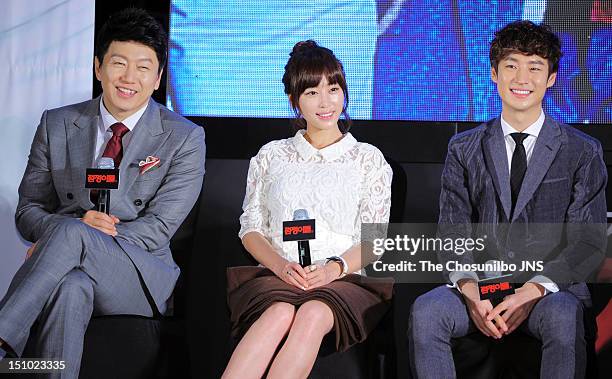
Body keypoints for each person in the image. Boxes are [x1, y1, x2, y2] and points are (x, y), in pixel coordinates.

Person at [0, 8, 205, 378]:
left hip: (139, 274)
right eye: (118, 64)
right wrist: (67, 239)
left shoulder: (184, 137)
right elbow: (28, 209)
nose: (129, 78)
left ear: (158, 78)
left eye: (143, 68)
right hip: (70, 266)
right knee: (71, 287)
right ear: (98, 67)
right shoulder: (58, 123)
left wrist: (77, 236)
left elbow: (158, 228)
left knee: (70, 232)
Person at [408, 20, 607, 378]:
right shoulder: (464, 148)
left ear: (551, 78)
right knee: (427, 311)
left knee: (564, 314)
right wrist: (470, 290)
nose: (522, 78)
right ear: (494, 74)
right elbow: (452, 232)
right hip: (483, 286)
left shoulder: (582, 151)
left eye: (535, 67)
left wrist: (533, 290)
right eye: (512, 66)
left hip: (549, 291)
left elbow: (587, 243)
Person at [222, 40, 393, 379]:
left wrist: (334, 268)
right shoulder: (271, 155)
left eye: (333, 88)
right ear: (294, 101)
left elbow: (376, 239)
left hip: (344, 279)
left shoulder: (367, 159)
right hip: (277, 275)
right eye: (312, 92)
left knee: (313, 313)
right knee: (278, 314)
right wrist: (282, 267)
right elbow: (251, 228)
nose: (326, 101)